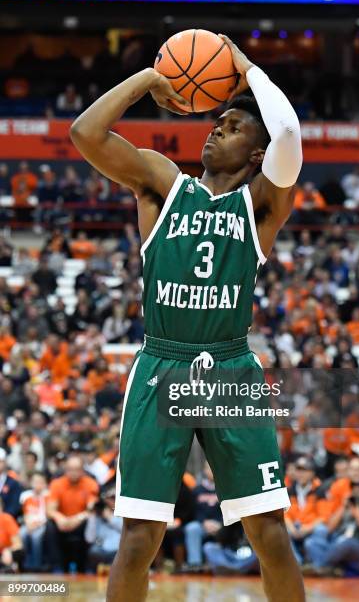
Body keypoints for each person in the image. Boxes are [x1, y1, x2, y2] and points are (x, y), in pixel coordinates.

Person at [71, 34, 304, 602]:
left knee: (268, 533)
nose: (216, 128)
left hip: (229, 370)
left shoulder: (261, 205)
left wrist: (244, 68)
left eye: (232, 126)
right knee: (139, 537)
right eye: (215, 121)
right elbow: (85, 133)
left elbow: (290, 133)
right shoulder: (160, 184)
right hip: (161, 367)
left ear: (256, 155)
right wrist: (149, 81)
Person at [304, 482, 359, 576]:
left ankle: (318, 567)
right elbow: (329, 529)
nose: (357, 495)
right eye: (354, 492)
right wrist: (342, 507)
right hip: (337, 543)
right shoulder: (347, 508)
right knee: (312, 542)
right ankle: (328, 569)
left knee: (346, 543)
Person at [45, 455, 99, 572]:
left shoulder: (91, 484)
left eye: (77, 469)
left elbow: (92, 509)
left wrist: (77, 519)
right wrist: (60, 518)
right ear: (65, 470)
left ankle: (83, 568)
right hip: (62, 523)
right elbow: (50, 510)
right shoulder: (57, 484)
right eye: (70, 469)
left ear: (82, 470)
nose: (73, 473)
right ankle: (57, 567)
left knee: (90, 523)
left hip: (81, 522)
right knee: (50, 525)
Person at [19, 472, 49, 571]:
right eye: (35, 482)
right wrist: (28, 524)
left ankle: (37, 564)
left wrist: (37, 524)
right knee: (22, 534)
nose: (38, 485)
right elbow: (24, 512)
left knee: (36, 537)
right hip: (28, 523)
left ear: (45, 484)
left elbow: (47, 514)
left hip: (42, 524)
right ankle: (24, 563)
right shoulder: (25, 495)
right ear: (31, 483)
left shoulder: (47, 495)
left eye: (40, 482)